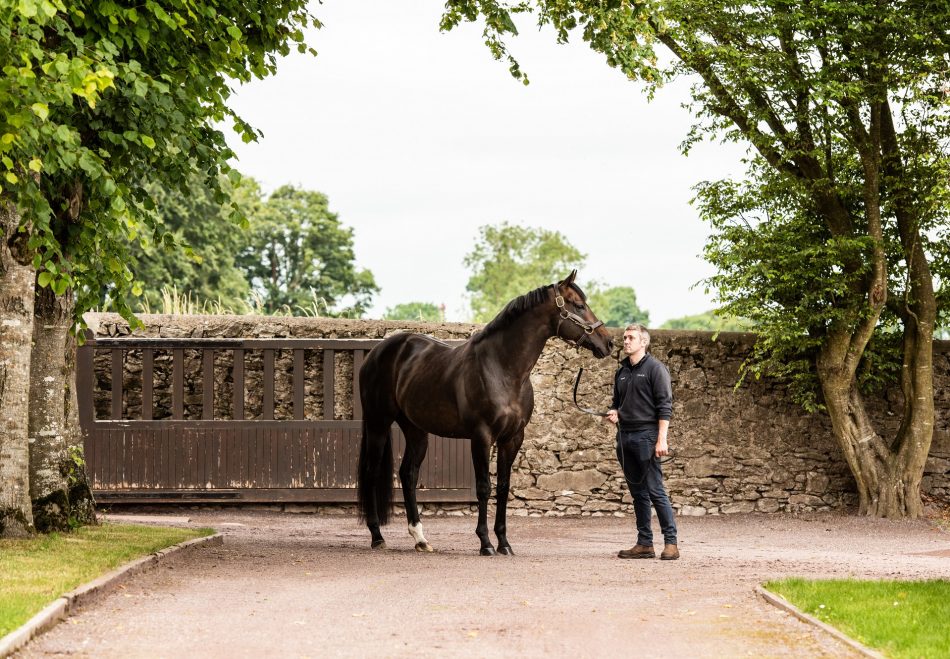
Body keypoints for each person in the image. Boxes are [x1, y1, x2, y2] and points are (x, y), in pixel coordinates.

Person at [606, 323, 679, 560]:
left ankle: (671, 543)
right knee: (638, 493)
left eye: (631, 338)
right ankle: (645, 543)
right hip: (624, 437)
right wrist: (614, 412)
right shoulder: (622, 371)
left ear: (643, 342)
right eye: (625, 337)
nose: (626, 341)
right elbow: (617, 403)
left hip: (647, 437)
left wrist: (662, 440)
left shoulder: (656, 369)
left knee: (656, 491)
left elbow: (665, 407)